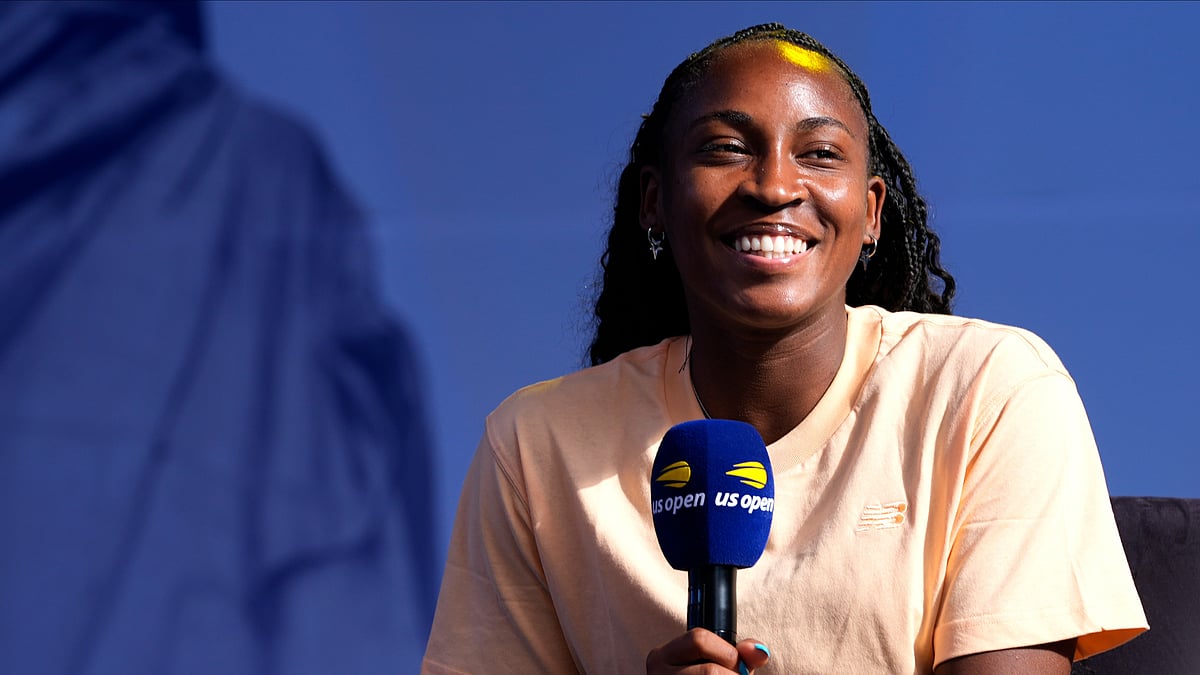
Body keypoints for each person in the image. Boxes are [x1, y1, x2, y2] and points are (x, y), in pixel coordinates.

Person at [422, 23, 1147, 674]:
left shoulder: (990, 389)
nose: (773, 184)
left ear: (869, 216)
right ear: (655, 200)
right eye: (726, 148)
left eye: (819, 153)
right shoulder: (534, 444)